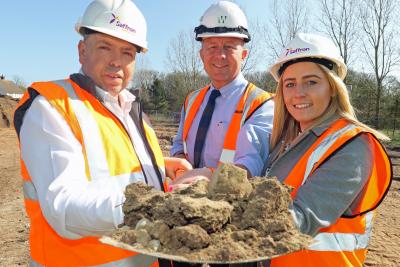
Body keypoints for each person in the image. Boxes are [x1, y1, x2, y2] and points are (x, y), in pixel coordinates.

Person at [13, 0, 191, 266]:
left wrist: (160, 168)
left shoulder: (131, 110)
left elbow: (108, 169)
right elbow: (64, 209)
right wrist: (161, 205)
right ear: (82, 51)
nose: (116, 62)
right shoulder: (52, 108)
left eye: (127, 52)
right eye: (105, 47)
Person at [262, 33, 392, 267]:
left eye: (311, 82)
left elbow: (298, 220)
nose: (298, 92)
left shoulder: (353, 145)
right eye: (289, 84)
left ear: (332, 87)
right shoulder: (287, 142)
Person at [170, 1, 274, 190]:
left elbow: (252, 160)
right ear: (201, 54)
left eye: (229, 47)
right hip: (184, 197)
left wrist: (210, 177)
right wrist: (180, 166)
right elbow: (179, 144)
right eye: (212, 47)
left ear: (244, 54)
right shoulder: (191, 100)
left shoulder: (261, 103)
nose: (220, 56)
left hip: (229, 203)